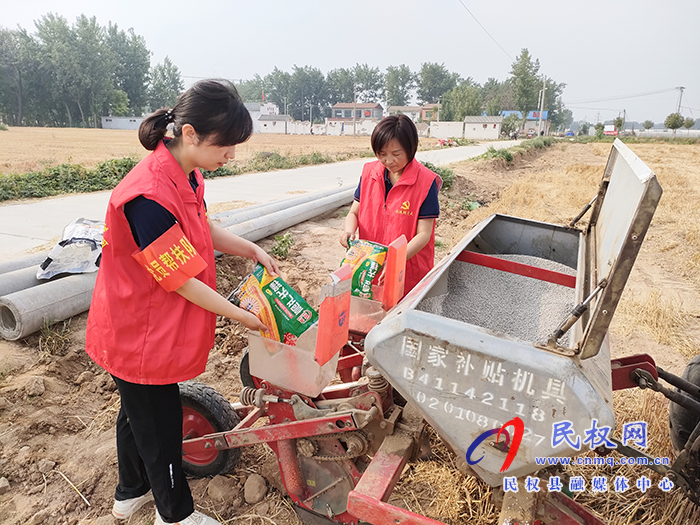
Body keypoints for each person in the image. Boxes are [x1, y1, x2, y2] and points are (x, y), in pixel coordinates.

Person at [85, 79, 279, 525]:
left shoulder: (187, 173)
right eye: (225, 146)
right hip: (139, 329)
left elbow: (200, 226)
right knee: (160, 426)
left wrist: (250, 248)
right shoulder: (146, 195)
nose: (230, 156)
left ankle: (129, 494)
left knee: (138, 416)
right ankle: (174, 516)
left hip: (151, 324)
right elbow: (181, 281)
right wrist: (239, 314)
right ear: (190, 133)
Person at [340, 114, 441, 296]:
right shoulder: (370, 173)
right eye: (382, 154)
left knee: (402, 313)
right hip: (370, 265)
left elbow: (424, 234)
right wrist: (349, 230)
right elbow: (353, 213)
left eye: (396, 154)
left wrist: (396, 260)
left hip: (408, 267)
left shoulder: (426, 182)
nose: (389, 161)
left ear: (411, 148)